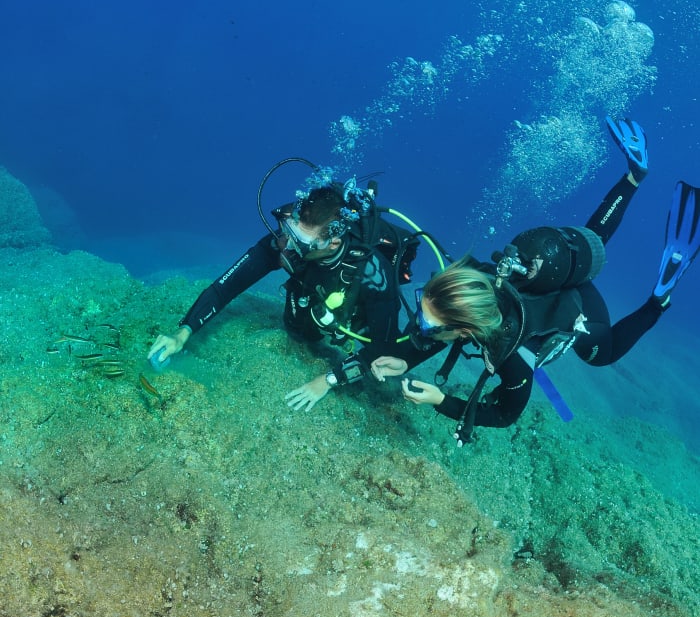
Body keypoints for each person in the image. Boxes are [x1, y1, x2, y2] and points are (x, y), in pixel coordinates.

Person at [371, 117, 700, 444]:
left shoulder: (512, 356)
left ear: (468, 330)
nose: (420, 327)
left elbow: (505, 415)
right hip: (550, 278)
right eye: (421, 309)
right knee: (590, 241)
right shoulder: (479, 280)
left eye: (427, 325)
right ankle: (633, 178)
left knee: (603, 355)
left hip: (583, 312)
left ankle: (657, 302)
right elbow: (447, 329)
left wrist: (440, 400)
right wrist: (406, 359)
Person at [147, 162, 420, 408]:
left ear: (333, 243)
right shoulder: (287, 241)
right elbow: (226, 287)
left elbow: (383, 350)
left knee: (377, 367)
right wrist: (183, 332)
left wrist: (328, 380)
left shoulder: (374, 273)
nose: (288, 247)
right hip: (314, 292)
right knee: (298, 329)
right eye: (289, 232)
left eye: (301, 243)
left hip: (356, 303)